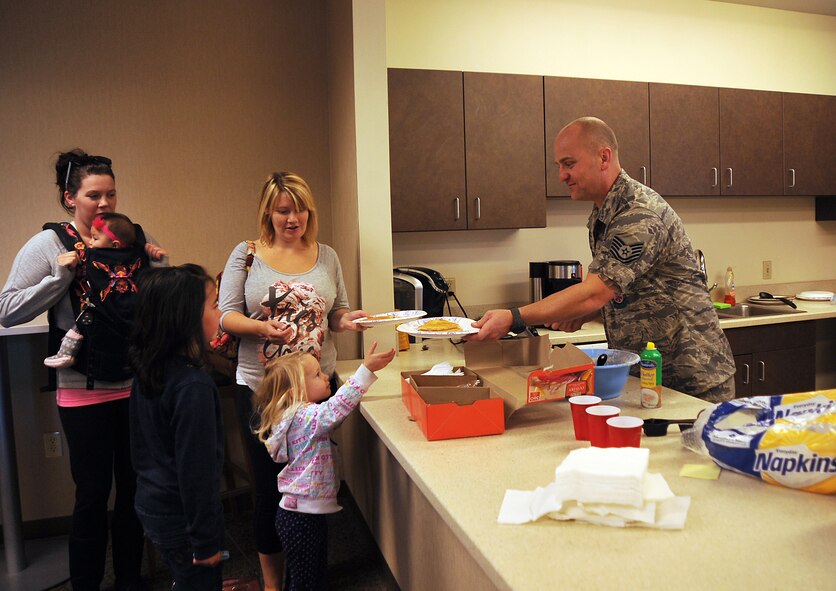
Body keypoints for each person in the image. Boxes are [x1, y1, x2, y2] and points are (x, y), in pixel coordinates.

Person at [470, 117, 736, 402]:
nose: (561, 175)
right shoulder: (603, 214)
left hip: (691, 378)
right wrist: (589, 313)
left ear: (604, 158)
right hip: (651, 376)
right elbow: (625, 291)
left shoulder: (638, 215)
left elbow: (595, 292)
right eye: (558, 166)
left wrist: (515, 318)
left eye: (569, 164)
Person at [0, 149, 168, 590]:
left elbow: (148, 298)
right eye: (94, 195)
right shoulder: (49, 244)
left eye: (111, 194)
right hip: (82, 389)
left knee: (134, 492)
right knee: (92, 496)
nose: (105, 204)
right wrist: (58, 280)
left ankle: (131, 580)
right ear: (69, 198)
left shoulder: (129, 234)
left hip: (134, 384)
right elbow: (7, 311)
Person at [217, 171, 368, 590]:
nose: (292, 218)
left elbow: (336, 311)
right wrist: (262, 329)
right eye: (283, 209)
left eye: (300, 209)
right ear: (268, 210)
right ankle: (272, 583)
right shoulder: (247, 254)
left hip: (319, 389)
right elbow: (226, 315)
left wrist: (347, 319)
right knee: (269, 490)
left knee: (315, 484)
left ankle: (307, 573)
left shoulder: (327, 255)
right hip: (263, 393)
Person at [253, 343, 395, 590]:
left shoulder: (294, 417)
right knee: (306, 582)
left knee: (305, 576)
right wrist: (365, 371)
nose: (326, 376)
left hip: (300, 513)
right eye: (317, 375)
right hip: (301, 517)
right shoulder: (303, 417)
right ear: (297, 390)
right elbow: (334, 409)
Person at [129, 264, 226, 589]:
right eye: (214, 305)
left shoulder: (152, 368)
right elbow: (195, 471)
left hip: (152, 503)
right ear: (187, 319)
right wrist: (205, 540)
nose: (220, 311)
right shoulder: (192, 387)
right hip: (181, 516)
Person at [44, 212, 164, 368]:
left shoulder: (94, 257)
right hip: (126, 310)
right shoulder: (138, 254)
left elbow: (159, 286)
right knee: (84, 322)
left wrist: (158, 260)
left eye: (95, 239)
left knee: (81, 324)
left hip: (111, 309)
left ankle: (66, 354)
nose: (90, 243)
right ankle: (67, 354)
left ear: (114, 245)